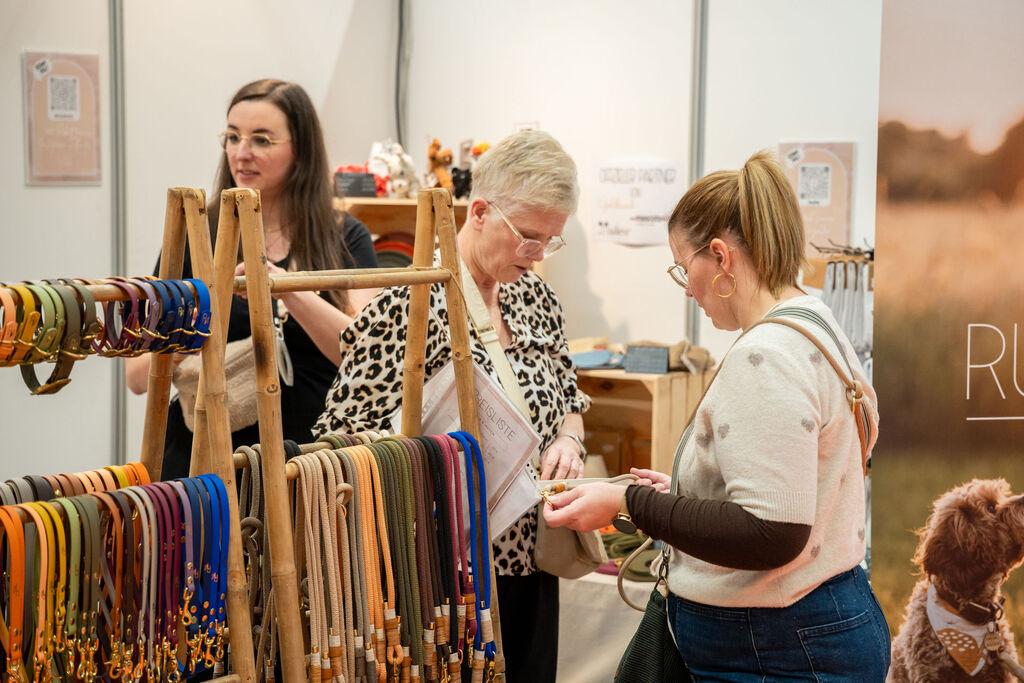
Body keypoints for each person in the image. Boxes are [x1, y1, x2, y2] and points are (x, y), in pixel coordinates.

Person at [543, 151, 890, 680]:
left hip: (776, 645)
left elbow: (772, 532)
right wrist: (691, 495)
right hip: (807, 629)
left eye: (685, 268)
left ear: (722, 257)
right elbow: (800, 483)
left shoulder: (765, 356)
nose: (687, 289)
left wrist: (629, 503)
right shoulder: (815, 321)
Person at [314, 130, 591, 683]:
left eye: (550, 241)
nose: (538, 254)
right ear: (480, 212)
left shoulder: (536, 297)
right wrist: (431, 461)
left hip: (532, 560)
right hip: (443, 573)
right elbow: (340, 433)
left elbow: (569, 395)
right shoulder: (410, 301)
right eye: (529, 237)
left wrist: (569, 439)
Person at [126, 79, 378, 480]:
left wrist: (284, 290)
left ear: (301, 149)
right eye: (232, 137)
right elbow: (138, 376)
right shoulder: (195, 233)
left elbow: (365, 354)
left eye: (261, 140)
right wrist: (206, 309)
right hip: (205, 465)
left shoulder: (344, 237)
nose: (241, 153)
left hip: (313, 467)